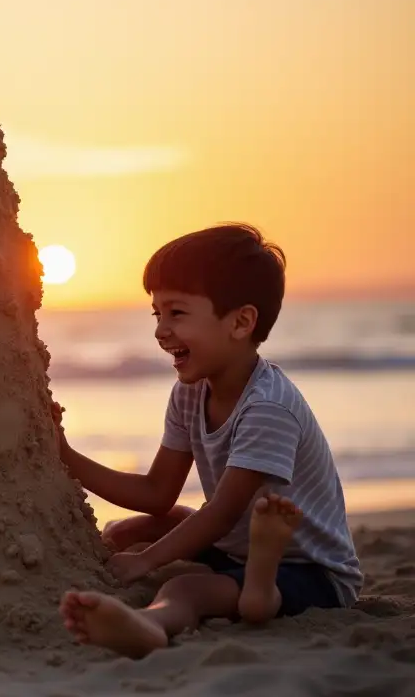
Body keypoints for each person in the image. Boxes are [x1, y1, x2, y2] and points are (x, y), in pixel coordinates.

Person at [55, 223, 361, 658]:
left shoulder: (268, 407)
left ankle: (153, 625)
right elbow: (157, 493)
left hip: (310, 571)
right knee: (134, 528)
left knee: (187, 588)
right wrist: (64, 455)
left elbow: (219, 514)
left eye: (177, 313)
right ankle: (243, 577)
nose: (161, 330)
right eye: (156, 314)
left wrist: (145, 563)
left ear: (240, 322)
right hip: (237, 543)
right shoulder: (190, 391)